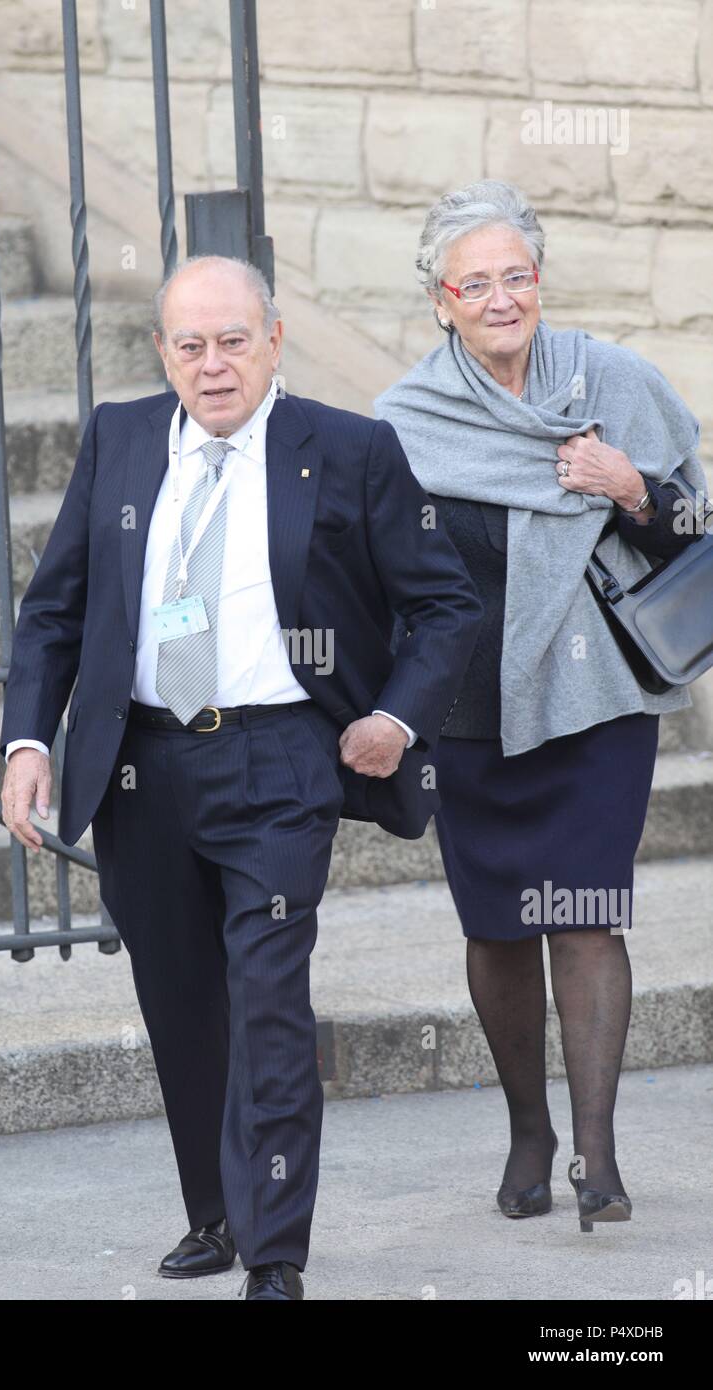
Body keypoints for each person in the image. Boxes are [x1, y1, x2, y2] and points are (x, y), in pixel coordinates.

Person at [0, 253, 483, 1298]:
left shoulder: (349, 449)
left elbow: (444, 604)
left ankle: (273, 1251)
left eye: (231, 341)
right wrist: (29, 742)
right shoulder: (120, 440)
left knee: (267, 1001)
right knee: (181, 1003)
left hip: (276, 761)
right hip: (143, 764)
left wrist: (395, 716)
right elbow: (54, 610)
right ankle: (211, 1215)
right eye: (189, 344)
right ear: (162, 353)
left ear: (273, 340)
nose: (211, 365)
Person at [375, 179, 707, 1235]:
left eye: (516, 275)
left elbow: (696, 516)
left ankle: (597, 1157)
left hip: (594, 699)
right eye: (475, 282)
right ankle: (528, 1132)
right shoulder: (406, 418)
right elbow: (377, 565)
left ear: (539, 280)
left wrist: (628, 486)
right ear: (440, 299)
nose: (500, 296)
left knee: (582, 913)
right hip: (470, 705)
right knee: (497, 926)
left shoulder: (613, 381)